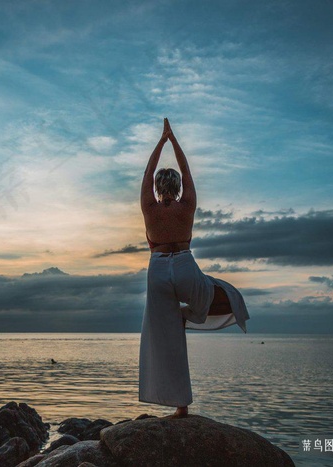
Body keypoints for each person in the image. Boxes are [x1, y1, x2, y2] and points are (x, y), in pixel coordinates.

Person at [139, 118, 250, 418]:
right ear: (176, 187)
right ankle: (192, 315)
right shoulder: (187, 205)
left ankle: (179, 404)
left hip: (159, 269)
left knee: (166, 336)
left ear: (158, 188)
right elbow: (186, 171)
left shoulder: (149, 208)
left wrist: (160, 141)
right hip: (185, 265)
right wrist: (173, 140)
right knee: (207, 295)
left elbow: (147, 173)